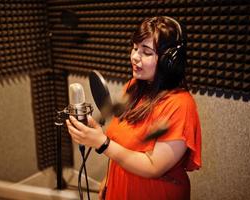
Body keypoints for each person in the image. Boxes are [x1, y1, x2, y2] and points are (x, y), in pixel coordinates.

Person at [66, 16, 201, 200]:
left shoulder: (180, 105)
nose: (135, 57)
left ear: (168, 61)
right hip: (122, 186)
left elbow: (154, 167)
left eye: (146, 52)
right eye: (135, 48)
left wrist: (102, 143)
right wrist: (110, 177)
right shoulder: (133, 87)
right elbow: (124, 143)